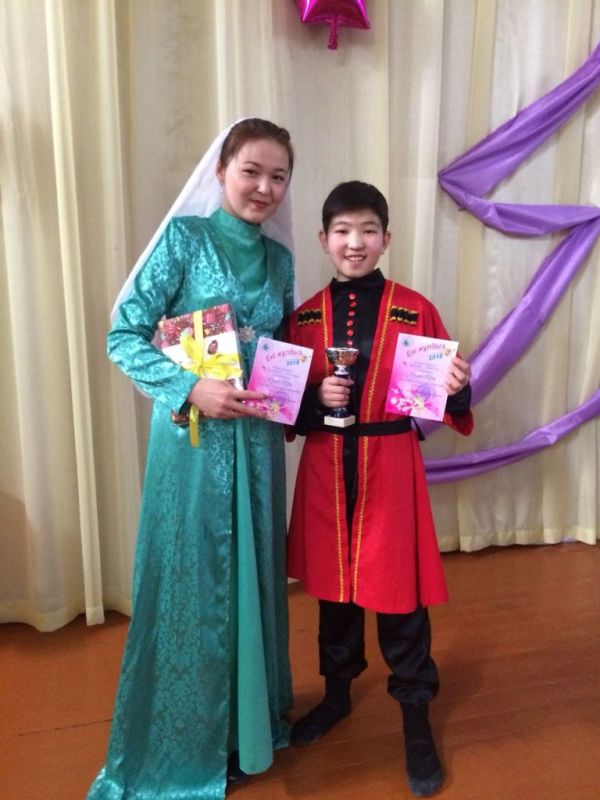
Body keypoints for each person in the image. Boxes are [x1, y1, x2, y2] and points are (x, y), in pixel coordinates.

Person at [87, 118, 296, 800]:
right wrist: (190, 387)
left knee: (252, 579)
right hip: (194, 446)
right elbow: (123, 335)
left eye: (278, 177)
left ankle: (245, 730)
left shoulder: (282, 261)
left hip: (257, 448)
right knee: (193, 581)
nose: (264, 187)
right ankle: (183, 742)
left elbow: (280, 350)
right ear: (221, 170)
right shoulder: (184, 239)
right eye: (251, 171)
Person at [284, 181, 473, 798]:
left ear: (385, 238)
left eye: (367, 230)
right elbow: (282, 409)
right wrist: (316, 398)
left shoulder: (415, 310)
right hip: (326, 466)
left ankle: (416, 720)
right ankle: (337, 695)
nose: (355, 242)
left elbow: (445, 404)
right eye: (342, 230)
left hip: (390, 464)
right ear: (324, 239)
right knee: (334, 596)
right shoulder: (303, 318)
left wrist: (460, 386)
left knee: (399, 597)